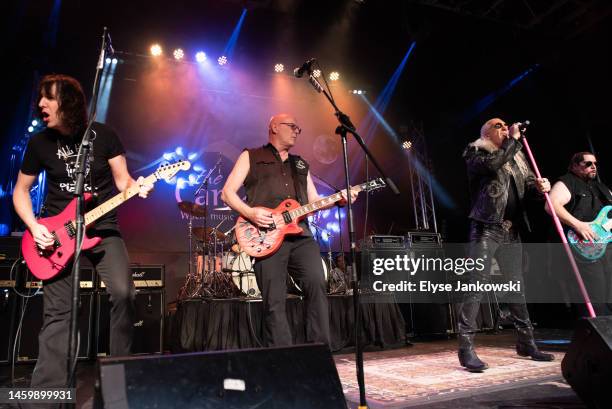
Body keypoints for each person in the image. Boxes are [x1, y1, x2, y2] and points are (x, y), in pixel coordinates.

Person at [13, 74, 153, 387]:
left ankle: (119, 380)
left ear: (69, 103)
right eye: (40, 98)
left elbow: (123, 181)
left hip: (102, 228)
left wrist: (138, 187)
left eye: (48, 98)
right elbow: (21, 191)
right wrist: (35, 227)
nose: (40, 105)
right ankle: (48, 396)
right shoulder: (39, 143)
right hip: (56, 236)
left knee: (124, 293)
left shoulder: (103, 136)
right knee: (60, 312)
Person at [221, 113, 356, 347]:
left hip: (301, 234)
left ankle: (318, 350)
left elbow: (313, 200)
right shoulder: (250, 156)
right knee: (274, 299)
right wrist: (251, 213)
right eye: (292, 126)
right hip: (265, 237)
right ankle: (282, 355)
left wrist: (338, 200)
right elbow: (227, 193)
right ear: (274, 126)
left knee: (316, 284)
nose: (296, 130)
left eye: (298, 128)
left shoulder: (300, 164)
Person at [457, 117, 554, 372]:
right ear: (486, 133)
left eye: (504, 125)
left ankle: (526, 342)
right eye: (497, 125)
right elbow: (492, 166)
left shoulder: (516, 155)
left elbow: (530, 186)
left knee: (516, 288)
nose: (504, 127)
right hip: (485, 228)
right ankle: (466, 348)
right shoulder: (476, 150)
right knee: (476, 286)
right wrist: (512, 140)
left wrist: (541, 186)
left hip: (512, 229)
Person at [545, 152, 612, 315]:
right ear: (574, 166)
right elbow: (551, 205)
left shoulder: (601, 187)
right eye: (587, 163)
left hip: (607, 245)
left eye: (595, 163)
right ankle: (599, 335)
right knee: (595, 294)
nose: (593, 166)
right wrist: (578, 225)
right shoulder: (567, 182)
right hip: (584, 245)